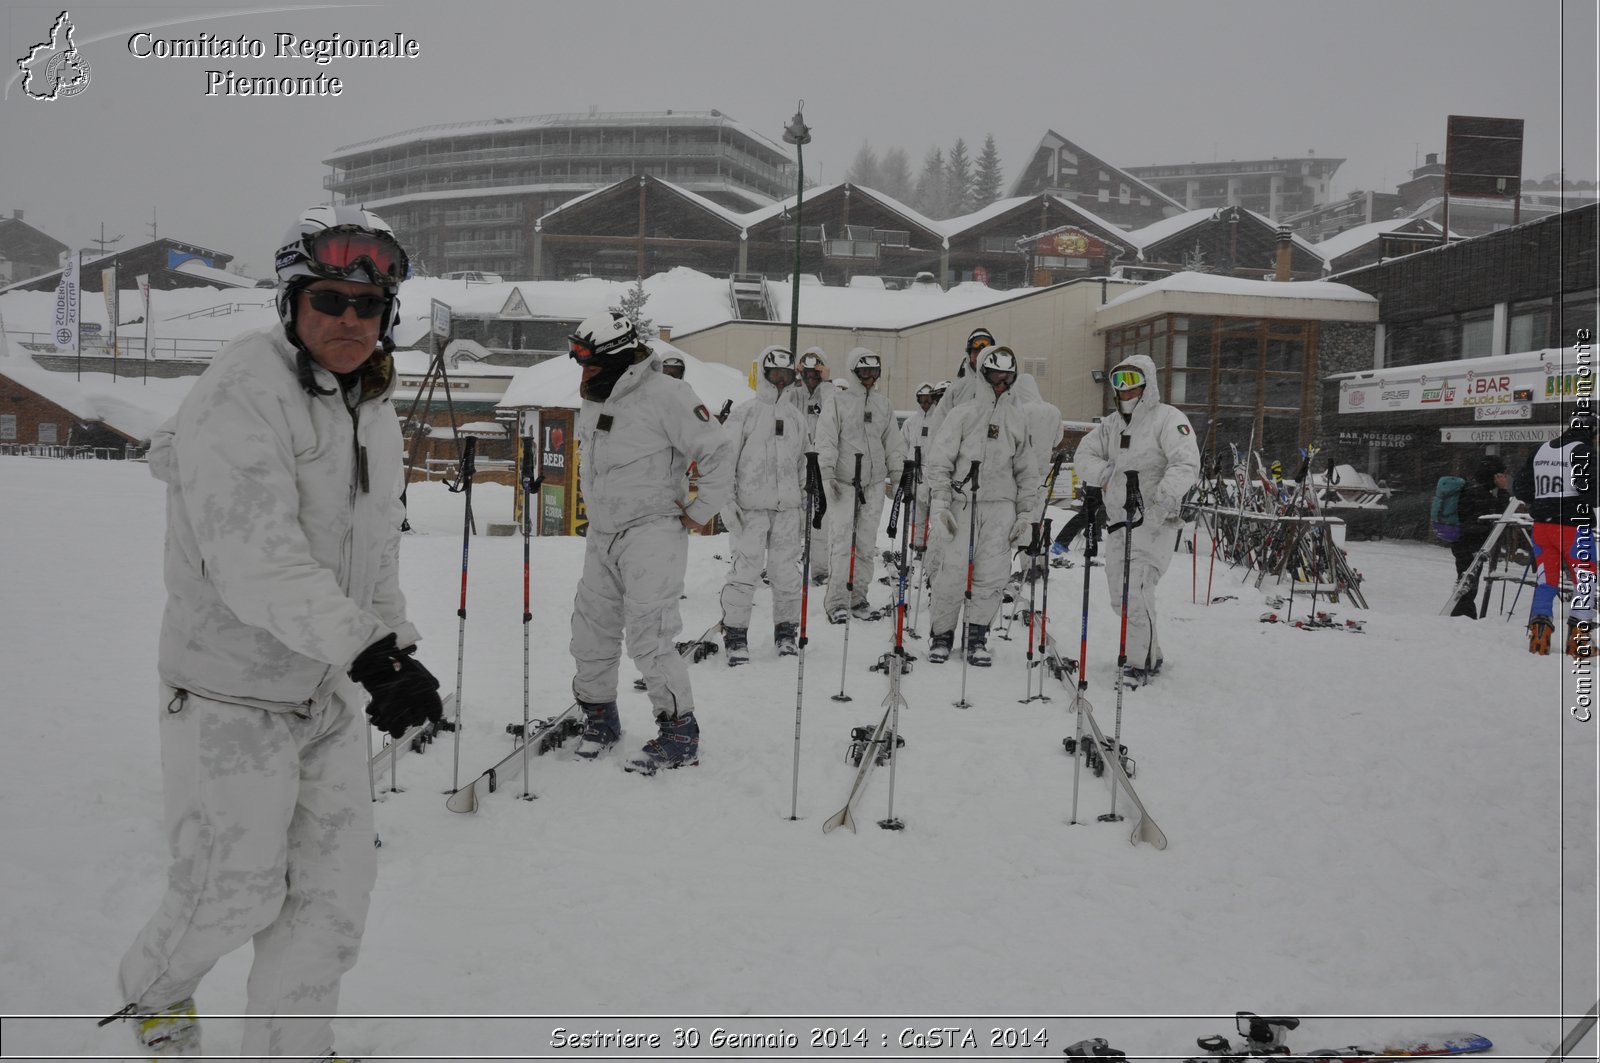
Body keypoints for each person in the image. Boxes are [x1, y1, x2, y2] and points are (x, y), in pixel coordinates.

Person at [112, 206, 440, 1062]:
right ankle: (153, 988)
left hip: (320, 691)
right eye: (329, 300)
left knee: (333, 904)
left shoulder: (370, 403)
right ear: (292, 302)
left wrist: (393, 650)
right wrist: (366, 652)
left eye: (368, 307)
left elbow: (371, 554)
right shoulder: (243, 391)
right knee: (233, 892)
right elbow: (254, 560)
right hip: (228, 690)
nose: (349, 321)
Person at [566, 311, 733, 772]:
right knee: (590, 631)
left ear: (618, 356)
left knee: (650, 635)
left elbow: (718, 451)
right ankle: (600, 717)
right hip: (603, 533)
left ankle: (679, 730)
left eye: (589, 360)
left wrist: (701, 512)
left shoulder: (667, 394)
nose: (582, 369)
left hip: (653, 530)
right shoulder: (595, 396)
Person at [1073, 353, 1200, 687]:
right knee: (1120, 597)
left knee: (1137, 591)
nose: (1125, 390)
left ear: (1147, 385)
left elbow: (1185, 464)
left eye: (1132, 382)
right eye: (1118, 383)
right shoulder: (1111, 426)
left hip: (1154, 523)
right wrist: (1105, 473)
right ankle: (1151, 653)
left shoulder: (1168, 419)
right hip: (1117, 522)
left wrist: (1161, 504)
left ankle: (1137, 663)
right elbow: (1083, 455)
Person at [925, 346, 1039, 665]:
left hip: (1001, 507)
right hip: (963, 503)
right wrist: (941, 504)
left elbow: (1028, 472)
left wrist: (1026, 515)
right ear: (983, 376)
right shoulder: (962, 414)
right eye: (995, 377)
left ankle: (976, 636)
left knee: (992, 576)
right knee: (952, 573)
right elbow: (940, 463)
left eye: (1008, 378)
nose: (1001, 385)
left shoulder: (1018, 419)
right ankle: (942, 635)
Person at [719, 346, 806, 663]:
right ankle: (736, 634)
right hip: (750, 508)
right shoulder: (745, 413)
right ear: (764, 375)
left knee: (786, 574)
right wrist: (726, 502)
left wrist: (805, 503)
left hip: (787, 510)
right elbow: (724, 461)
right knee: (745, 572)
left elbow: (802, 465)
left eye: (787, 375)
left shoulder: (796, 418)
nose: (781, 381)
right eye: (775, 375)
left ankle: (785, 634)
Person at [814, 346, 906, 622]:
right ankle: (837, 601)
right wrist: (827, 473)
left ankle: (859, 597)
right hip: (844, 482)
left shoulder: (883, 404)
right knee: (842, 544)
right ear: (854, 372)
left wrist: (899, 473)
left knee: (865, 546)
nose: (869, 378)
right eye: (864, 372)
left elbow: (892, 442)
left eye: (874, 372)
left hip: (874, 484)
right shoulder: (838, 402)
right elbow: (826, 438)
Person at [1514, 408, 1596, 656]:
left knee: (1546, 580)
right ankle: (1579, 641)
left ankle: (1539, 637)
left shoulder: (1541, 449)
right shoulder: (1583, 451)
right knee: (1584, 580)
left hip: (1542, 527)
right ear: (1591, 431)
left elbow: (1521, 488)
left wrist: (1543, 501)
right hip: (1573, 528)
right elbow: (1591, 492)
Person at [1448, 454, 1512, 619]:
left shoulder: (1470, 487)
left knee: (1466, 580)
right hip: (1471, 542)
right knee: (1468, 582)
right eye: (1501, 474)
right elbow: (1501, 513)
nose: (1504, 477)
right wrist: (1503, 490)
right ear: (1495, 475)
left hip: (1461, 540)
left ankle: (1463, 615)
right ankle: (1463, 617)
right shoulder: (1480, 493)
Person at [796, 348, 833, 584]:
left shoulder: (830, 395)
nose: (811, 377)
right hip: (794, 465)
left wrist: (826, 383)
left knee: (820, 520)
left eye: (816, 372)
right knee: (789, 521)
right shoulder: (793, 394)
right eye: (807, 372)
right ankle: (781, 568)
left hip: (820, 467)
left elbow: (836, 410)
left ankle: (819, 570)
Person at [940, 326, 996, 411]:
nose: (980, 356)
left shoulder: (1001, 387)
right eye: (976, 351)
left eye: (985, 352)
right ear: (969, 355)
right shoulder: (955, 390)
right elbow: (939, 421)